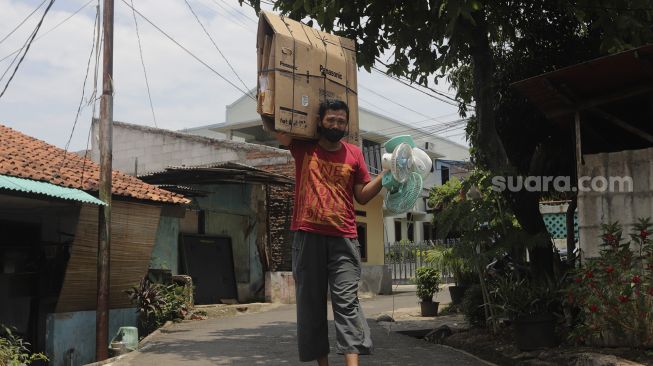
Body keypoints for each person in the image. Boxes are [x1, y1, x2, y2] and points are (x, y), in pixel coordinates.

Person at [275, 99, 385, 366]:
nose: (336, 124)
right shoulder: (303, 147)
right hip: (307, 236)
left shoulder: (354, 154)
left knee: (347, 304)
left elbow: (362, 196)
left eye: (341, 121)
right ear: (320, 121)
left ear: (347, 125)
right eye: (331, 119)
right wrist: (269, 97)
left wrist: (386, 176)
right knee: (311, 306)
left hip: (344, 239)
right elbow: (276, 125)